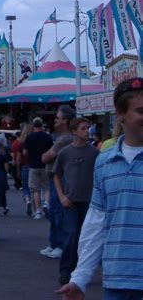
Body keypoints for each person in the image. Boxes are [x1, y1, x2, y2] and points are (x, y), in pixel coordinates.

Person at [57, 77, 143, 299]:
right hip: (117, 280)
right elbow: (96, 223)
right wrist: (80, 278)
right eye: (141, 111)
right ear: (121, 114)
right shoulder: (104, 162)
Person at [53, 118, 99, 286]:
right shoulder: (65, 153)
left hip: (89, 202)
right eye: (83, 128)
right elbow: (56, 175)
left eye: (88, 128)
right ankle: (66, 270)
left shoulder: (94, 153)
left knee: (87, 238)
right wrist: (61, 196)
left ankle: (81, 271)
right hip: (70, 202)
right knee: (71, 234)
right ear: (74, 131)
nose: (87, 131)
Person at [41, 106, 75, 258]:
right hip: (54, 177)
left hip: (59, 179)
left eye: (58, 117)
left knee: (58, 212)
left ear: (66, 120)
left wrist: (47, 155)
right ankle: (54, 243)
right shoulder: (61, 138)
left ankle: (59, 244)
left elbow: (46, 157)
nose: (55, 120)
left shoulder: (66, 139)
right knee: (54, 212)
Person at [23, 117, 53, 220]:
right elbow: (52, 151)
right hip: (46, 165)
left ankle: (38, 211)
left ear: (33, 126)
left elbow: (25, 152)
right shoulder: (48, 137)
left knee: (35, 190)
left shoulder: (29, 137)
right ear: (42, 125)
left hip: (33, 166)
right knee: (47, 187)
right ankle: (46, 204)